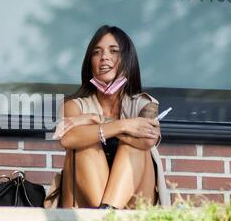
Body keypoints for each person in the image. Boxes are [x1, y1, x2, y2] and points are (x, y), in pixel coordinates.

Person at [52, 25, 169, 209]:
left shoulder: (145, 104)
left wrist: (94, 122)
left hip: (135, 198)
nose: (104, 57)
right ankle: (106, 214)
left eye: (113, 51)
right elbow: (68, 138)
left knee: (134, 146)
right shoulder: (74, 105)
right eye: (96, 53)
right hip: (85, 199)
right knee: (84, 145)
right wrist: (125, 126)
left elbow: (146, 140)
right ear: (90, 62)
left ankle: (108, 211)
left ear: (127, 59)